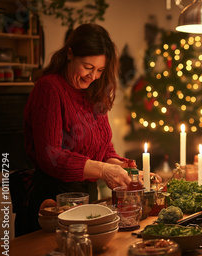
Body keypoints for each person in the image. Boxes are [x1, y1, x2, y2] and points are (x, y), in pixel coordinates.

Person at [21, 23, 132, 236]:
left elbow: (103, 149)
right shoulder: (49, 89)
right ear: (70, 54)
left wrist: (122, 169)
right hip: (53, 202)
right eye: (88, 67)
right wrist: (102, 170)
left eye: (100, 70)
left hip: (85, 198)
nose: (93, 76)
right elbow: (50, 156)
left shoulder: (93, 92)